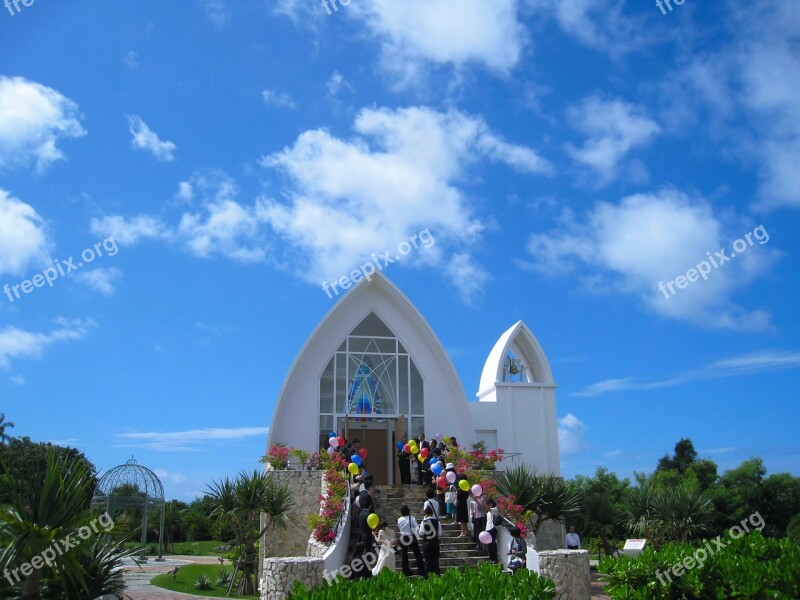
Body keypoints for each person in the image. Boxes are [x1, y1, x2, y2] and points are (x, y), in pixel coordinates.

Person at [397, 505, 425, 577]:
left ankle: (406, 572)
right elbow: (417, 528)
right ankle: (421, 570)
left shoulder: (399, 519)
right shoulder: (412, 518)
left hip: (402, 537)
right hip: (410, 537)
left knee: (404, 555)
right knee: (417, 554)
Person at [419, 505, 441, 577]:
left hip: (427, 543)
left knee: (427, 561)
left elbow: (421, 533)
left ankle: (426, 577)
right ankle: (437, 576)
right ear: (432, 513)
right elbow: (440, 533)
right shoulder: (437, 522)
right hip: (435, 543)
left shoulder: (424, 522)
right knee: (435, 561)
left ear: (425, 513)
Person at [484, 498, 498, 563]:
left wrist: (490, 506)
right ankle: (491, 558)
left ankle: (494, 558)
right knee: (489, 544)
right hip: (488, 529)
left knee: (492, 544)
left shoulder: (494, 510)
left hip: (492, 528)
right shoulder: (488, 513)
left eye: (487, 505)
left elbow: (495, 514)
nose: (485, 507)